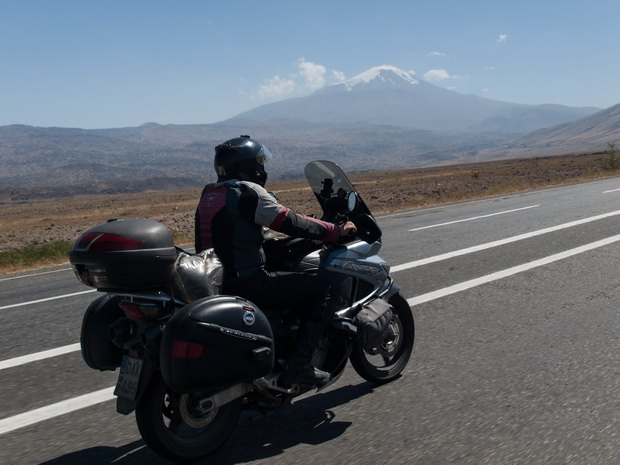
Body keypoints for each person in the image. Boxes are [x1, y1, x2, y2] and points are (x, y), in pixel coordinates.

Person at [195, 135, 356, 386]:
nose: (262, 168)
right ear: (248, 165)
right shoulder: (247, 191)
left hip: (215, 281)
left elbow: (234, 232)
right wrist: (334, 230)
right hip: (246, 281)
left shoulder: (211, 193)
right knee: (324, 289)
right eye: (260, 162)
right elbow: (289, 220)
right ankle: (299, 365)